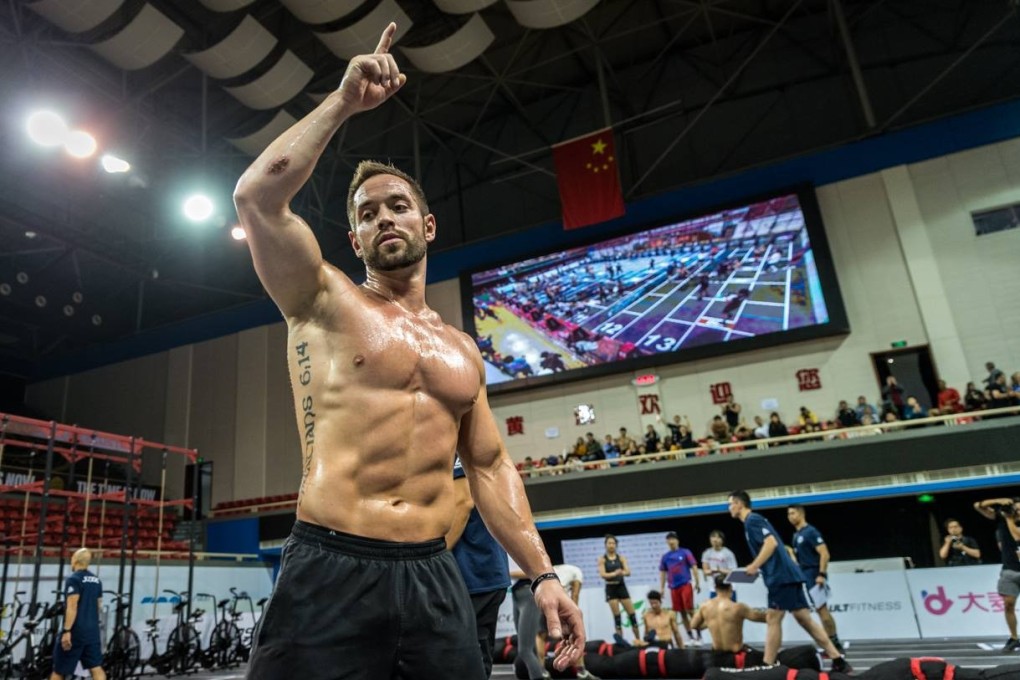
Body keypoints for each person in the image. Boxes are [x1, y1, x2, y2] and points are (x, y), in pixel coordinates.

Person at [233, 24, 583, 678]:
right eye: (367, 215)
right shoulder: (322, 298)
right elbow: (257, 196)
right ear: (355, 240)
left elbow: (490, 468)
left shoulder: (461, 351)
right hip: (330, 566)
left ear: (427, 225)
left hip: (431, 573)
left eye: (397, 206)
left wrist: (542, 574)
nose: (384, 218)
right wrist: (343, 102)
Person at [727, 491, 850, 672]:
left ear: (739, 504)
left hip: (781, 578)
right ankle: (838, 660)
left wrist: (754, 565)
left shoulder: (752, 520)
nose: (729, 508)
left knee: (773, 618)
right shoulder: (752, 522)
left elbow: (771, 543)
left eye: (730, 504)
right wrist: (758, 566)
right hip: (788, 576)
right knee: (804, 619)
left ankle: (768, 666)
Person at [448, 456, 511, 678]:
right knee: (473, 657)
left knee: (463, 661)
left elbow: (463, 503)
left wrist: (432, 557)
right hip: (479, 573)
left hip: (474, 573)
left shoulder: (457, 452)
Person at [786, 505, 844, 654]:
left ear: (801, 514)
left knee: (822, 611)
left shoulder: (810, 532)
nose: (790, 517)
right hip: (805, 575)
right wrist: (790, 553)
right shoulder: (796, 535)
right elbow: (799, 561)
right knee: (819, 611)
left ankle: (835, 644)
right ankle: (831, 645)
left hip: (814, 574)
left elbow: (825, 553)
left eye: (793, 513)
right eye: (788, 514)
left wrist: (821, 574)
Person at [973, 496, 1020, 651]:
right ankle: (1014, 638)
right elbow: (978, 505)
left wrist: (1008, 518)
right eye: (1016, 508)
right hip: (1009, 569)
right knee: (1008, 604)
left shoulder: (1008, 520)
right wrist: (1000, 501)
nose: (1018, 511)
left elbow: (1017, 536)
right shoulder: (1002, 518)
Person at [50, 548, 104, 680]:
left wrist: (67, 631)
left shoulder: (73, 579)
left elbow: (72, 606)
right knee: (96, 668)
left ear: (75, 560)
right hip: (92, 631)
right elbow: (98, 606)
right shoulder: (97, 580)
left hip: (76, 631)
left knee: (59, 670)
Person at [689, 576, 766, 653]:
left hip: (716, 654)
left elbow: (693, 625)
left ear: (715, 588)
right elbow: (758, 617)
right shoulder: (738, 607)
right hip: (735, 655)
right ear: (731, 588)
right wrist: (771, 614)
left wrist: (710, 622)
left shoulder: (705, 606)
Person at [597, 535, 642, 645]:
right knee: (617, 618)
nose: (611, 545)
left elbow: (628, 572)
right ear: (605, 545)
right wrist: (615, 573)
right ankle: (621, 644)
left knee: (632, 616)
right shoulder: (602, 559)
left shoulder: (621, 558)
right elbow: (603, 574)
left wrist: (621, 572)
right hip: (611, 588)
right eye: (609, 543)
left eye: (613, 543)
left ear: (616, 545)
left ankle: (638, 640)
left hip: (621, 587)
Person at [658, 531, 702, 646]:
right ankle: (691, 637)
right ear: (667, 542)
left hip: (685, 584)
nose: (671, 541)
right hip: (673, 587)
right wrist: (662, 588)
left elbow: (694, 566)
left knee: (690, 610)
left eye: (673, 539)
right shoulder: (665, 557)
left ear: (677, 540)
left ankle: (699, 636)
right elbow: (663, 573)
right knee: (682, 613)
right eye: (669, 540)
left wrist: (697, 581)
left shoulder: (685, 552)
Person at [701, 530, 738, 596]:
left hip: (728, 587)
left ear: (722, 540)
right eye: (713, 537)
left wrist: (719, 570)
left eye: (718, 537)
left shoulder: (728, 553)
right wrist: (713, 571)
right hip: (714, 588)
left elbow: (733, 572)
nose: (715, 539)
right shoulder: (706, 553)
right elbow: (705, 571)